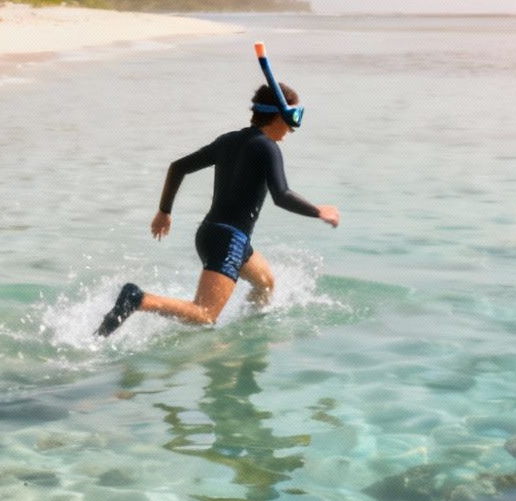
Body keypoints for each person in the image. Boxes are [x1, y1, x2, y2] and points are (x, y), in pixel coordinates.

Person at [96, 71, 339, 337]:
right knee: (205, 315)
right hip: (229, 240)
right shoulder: (268, 147)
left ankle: (245, 336)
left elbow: (178, 167)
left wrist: (164, 211)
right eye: (294, 117)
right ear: (279, 115)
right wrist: (318, 211)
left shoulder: (228, 141)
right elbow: (281, 195)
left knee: (266, 284)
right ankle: (139, 299)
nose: (293, 127)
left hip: (212, 233)